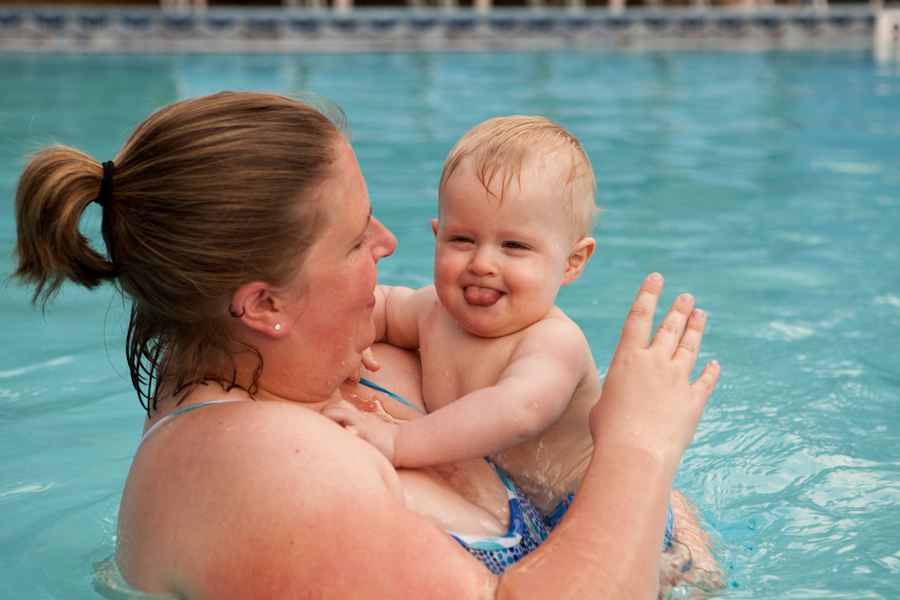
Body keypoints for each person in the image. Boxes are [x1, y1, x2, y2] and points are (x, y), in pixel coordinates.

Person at [13, 91, 720, 599]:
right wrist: (642, 445)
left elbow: (563, 470)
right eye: (356, 240)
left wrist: (669, 523)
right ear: (264, 304)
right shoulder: (267, 477)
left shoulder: (322, 362)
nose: (389, 243)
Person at [323, 116, 634, 529]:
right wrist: (348, 336)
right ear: (437, 236)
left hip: (586, 509)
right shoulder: (431, 310)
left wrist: (399, 443)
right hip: (509, 498)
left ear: (572, 263)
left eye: (514, 245)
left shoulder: (553, 342)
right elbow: (376, 306)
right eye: (462, 240)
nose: (483, 263)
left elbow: (516, 410)